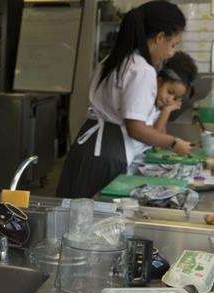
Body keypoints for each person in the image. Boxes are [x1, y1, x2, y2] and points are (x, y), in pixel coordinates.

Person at [57, 0, 192, 199]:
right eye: (172, 45)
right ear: (159, 37)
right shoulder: (142, 70)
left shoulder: (116, 59)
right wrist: (173, 143)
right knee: (94, 221)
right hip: (106, 154)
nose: (171, 53)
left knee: (74, 217)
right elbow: (135, 128)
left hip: (89, 147)